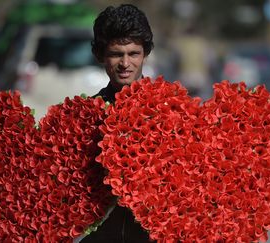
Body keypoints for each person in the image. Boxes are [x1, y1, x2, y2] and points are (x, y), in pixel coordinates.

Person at [81, 4, 156, 243]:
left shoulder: (169, 112)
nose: (125, 63)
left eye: (133, 53)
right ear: (100, 55)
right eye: (116, 54)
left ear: (145, 53)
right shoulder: (85, 115)